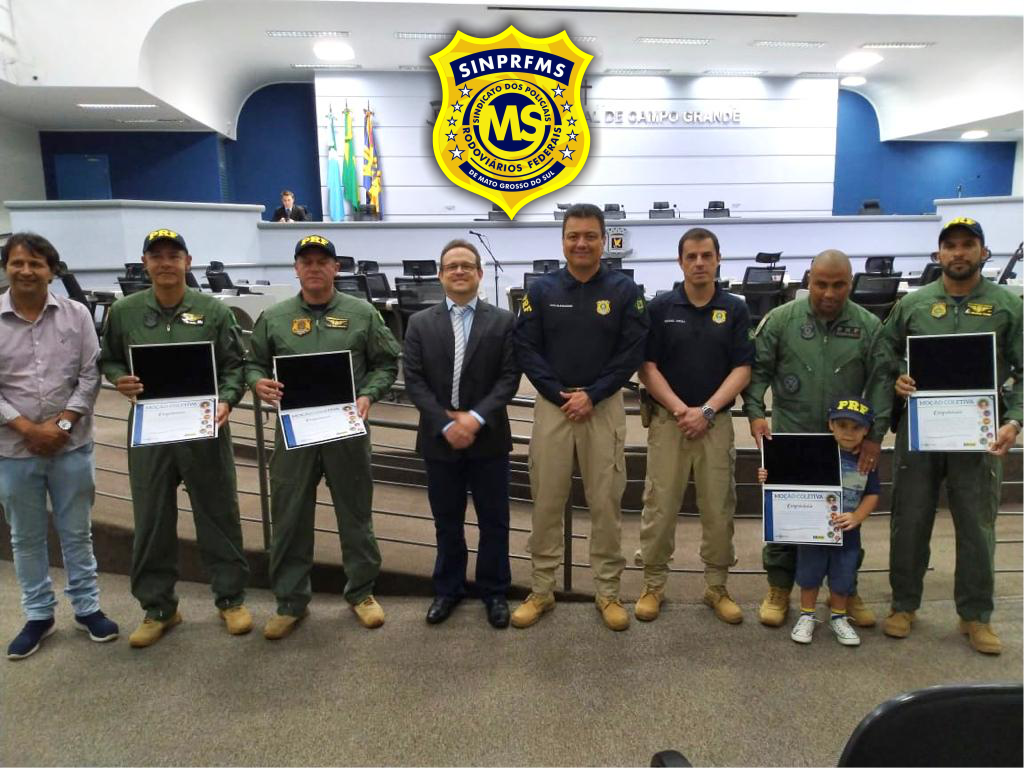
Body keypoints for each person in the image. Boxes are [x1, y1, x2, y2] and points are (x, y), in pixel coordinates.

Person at [873, 217, 1023, 655]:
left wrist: (1013, 421)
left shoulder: (1007, 307)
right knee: (909, 519)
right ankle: (903, 604)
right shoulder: (914, 304)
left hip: (979, 438)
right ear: (938, 255)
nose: (958, 253)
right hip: (921, 433)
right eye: (950, 246)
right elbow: (883, 353)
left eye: (967, 245)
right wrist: (898, 378)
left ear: (982, 252)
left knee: (977, 526)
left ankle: (975, 615)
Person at [100, 228, 251, 648]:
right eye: (157, 256)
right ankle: (159, 607)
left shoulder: (213, 311)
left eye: (173, 255)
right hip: (151, 430)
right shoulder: (125, 312)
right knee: (151, 518)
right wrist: (119, 379)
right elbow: (110, 358)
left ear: (187, 262)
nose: (165, 263)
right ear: (145, 263)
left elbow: (234, 366)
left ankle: (231, 598)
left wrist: (228, 400)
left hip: (205, 428)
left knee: (218, 513)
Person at [246, 234, 400, 639]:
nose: (314, 268)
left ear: (336, 268)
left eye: (322, 261)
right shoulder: (275, 317)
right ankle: (290, 602)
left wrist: (369, 394)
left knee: (355, 516)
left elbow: (387, 362)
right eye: (306, 261)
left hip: (346, 432)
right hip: (293, 435)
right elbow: (253, 363)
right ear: (296, 268)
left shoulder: (362, 314)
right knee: (290, 517)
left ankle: (362, 593)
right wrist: (258, 383)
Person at [512, 203, 649, 631]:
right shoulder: (541, 290)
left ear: (604, 239)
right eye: (574, 235)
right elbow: (526, 348)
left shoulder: (626, 291)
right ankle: (542, 590)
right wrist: (558, 393)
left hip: (603, 408)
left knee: (606, 503)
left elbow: (631, 352)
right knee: (546, 501)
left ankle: (607, 592)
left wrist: (593, 394)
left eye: (590, 235)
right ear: (563, 240)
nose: (582, 243)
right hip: (553, 408)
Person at [743, 249, 886, 629]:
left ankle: (846, 590)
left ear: (850, 284)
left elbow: (882, 382)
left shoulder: (869, 326)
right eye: (821, 283)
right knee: (786, 518)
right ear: (809, 280)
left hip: (848, 446)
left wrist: (876, 437)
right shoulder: (781, 320)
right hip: (792, 435)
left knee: (846, 517)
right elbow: (758, 371)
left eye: (839, 285)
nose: (828, 292)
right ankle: (778, 588)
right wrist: (756, 414)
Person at [0, 233, 119, 659]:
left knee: (76, 532)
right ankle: (38, 615)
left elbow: (90, 375)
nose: (27, 271)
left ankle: (87, 608)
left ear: (52, 269)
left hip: (71, 445)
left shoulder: (76, 315)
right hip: (13, 451)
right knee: (26, 537)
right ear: (6, 268)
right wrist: (29, 429)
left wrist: (63, 423)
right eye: (18, 263)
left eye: (36, 264)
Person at [635, 227, 753, 624]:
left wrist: (705, 411)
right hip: (669, 423)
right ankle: (653, 585)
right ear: (680, 261)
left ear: (718, 258)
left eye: (706, 255)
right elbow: (647, 368)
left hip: (715, 424)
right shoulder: (660, 308)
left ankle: (716, 587)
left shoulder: (735, 309)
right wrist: (681, 409)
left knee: (719, 508)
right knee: (659, 505)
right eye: (691, 256)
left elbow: (743, 368)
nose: (699, 263)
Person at [402, 239, 520, 628]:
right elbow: (414, 381)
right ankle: (448, 589)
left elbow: (508, 379)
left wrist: (474, 419)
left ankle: (494, 591)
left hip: (488, 438)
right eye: (451, 266)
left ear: (479, 273)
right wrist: (447, 423)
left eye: (466, 266)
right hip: (439, 440)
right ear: (440, 274)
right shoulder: (419, 323)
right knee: (446, 520)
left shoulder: (503, 321)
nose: (458, 272)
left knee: (494, 520)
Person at [759, 397, 880, 647]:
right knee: (809, 574)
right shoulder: (814, 453)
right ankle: (807, 615)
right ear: (830, 425)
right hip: (812, 529)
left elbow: (872, 494)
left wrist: (857, 516)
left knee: (843, 575)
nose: (848, 433)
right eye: (842, 425)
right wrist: (766, 475)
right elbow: (786, 480)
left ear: (866, 430)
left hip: (847, 533)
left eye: (856, 427)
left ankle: (839, 617)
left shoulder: (866, 460)